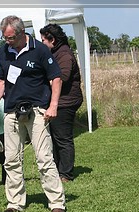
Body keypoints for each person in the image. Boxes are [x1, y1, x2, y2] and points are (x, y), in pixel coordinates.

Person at [0, 15, 66, 212]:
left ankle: (57, 202)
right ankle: (14, 203)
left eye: (11, 38)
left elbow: (55, 78)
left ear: (22, 33)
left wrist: (53, 105)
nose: (7, 41)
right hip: (12, 110)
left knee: (44, 157)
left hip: (38, 109)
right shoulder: (4, 51)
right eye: (5, 37)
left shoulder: (39, 50)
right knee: (11, 159)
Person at [40, 24, 83, 183]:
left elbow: (62, 78)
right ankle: (59, 169)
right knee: (56, 137)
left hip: (66, 101)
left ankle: (66, 173)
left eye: (44, 39)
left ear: (52, 39)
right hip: (61, 100)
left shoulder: (64, 54)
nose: (42, 42)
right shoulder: (56, 52)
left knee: (63, 138)